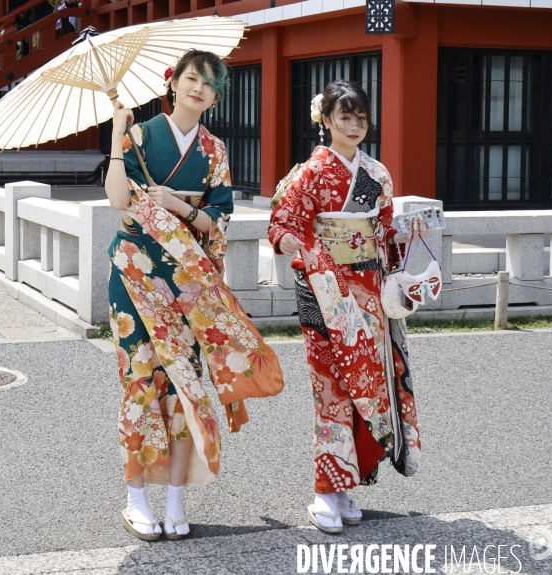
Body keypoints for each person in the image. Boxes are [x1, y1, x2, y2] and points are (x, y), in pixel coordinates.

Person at [105, 49, 284, 542]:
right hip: (135, 277)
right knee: (141, 382)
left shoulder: (214, 150)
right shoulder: (139, 135)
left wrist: (180, 206)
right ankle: (135, 497)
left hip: (187, 281)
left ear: (214, 96)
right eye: (191, 78)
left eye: (208, 83)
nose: (198, 88)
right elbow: (119, 201)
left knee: (186, 385)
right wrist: (119, 138)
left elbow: (218, 221)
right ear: (174, 83)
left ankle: (176, 498)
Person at [268, 80, 424, 534]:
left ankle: (345, 486)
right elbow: (282, 222)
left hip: (370, 293)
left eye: (361, 118)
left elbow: (387, 231)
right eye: (344, 117)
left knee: (368, 387)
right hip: (324, 291)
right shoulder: (311, 173)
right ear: (325, 121)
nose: (354, 126)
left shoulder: (376, 174)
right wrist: (292, 238)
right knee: (330, 390)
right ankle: (323, 489)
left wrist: (405, 261)